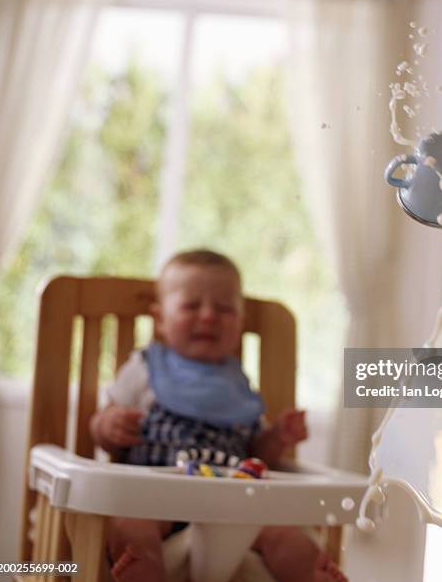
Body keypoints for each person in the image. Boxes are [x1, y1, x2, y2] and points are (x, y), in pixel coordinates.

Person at [90, 249, 346, 582]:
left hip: (233, 504)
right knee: (132, 528)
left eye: (224, 308)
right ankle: (143, 569)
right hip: (155, 498)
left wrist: (277, 437)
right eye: (191, 306)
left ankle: (309, 572)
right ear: (160, 320)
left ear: (239, 322)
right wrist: (108, 426)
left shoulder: (239, 384)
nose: (209, 316)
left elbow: (257, 453)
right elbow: (100, 427)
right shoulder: (145, 368)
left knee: (284, 533)